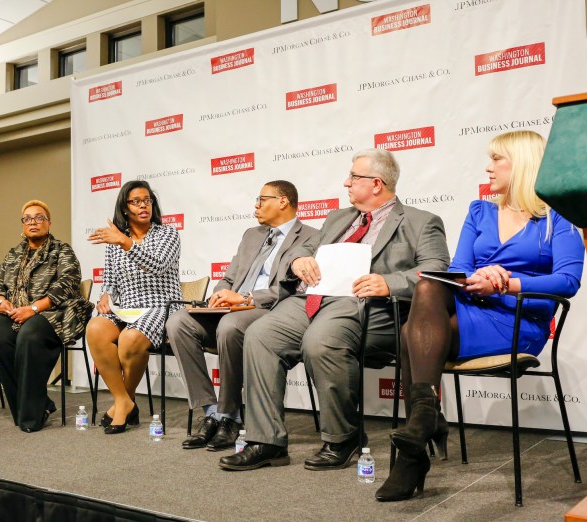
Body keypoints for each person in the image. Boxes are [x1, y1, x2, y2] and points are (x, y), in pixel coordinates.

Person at [376, 130, 585, 501]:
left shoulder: (559, 218)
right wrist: (477, 278)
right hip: (470, 306)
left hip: (518, 320)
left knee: (411, 331)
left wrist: (507, 283)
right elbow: (458, 267)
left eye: (496, 159)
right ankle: (424, 419)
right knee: (427, 287)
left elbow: (568, 281)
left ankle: (415, 448)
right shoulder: (480, 211)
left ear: (521, 164)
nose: (488, 168)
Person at [219, 148, 450, 471]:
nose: (346, 182)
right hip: (312, 299)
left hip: (367, 307)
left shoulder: (420, 221)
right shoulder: (337, 219)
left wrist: (389, 282)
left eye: (354, 177)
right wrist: (299, 260)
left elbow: (437, 271)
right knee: (261, 334)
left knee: (322, 340)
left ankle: (343, 437)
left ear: (376, 184)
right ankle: (267, 440)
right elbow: (303, 249)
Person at [167, 181, 317, 451]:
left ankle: (230, 416)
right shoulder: (251, 234)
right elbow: (228, 277)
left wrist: (246, 299)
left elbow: (292, 291)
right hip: (231, 308)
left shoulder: (310, 237)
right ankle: (210, 411)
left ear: (283, 201)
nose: (256, 206)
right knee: (178, 321)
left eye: (262, 199)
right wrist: (220, 294)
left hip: (267, 311)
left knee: (230, 325)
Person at [0, 200, 92, 433]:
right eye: (27, 218)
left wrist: (32, 309)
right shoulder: (13, 254)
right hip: (14, 312)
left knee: (28, 336)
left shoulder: (61, 250)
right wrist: (1, 303)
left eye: (39, 217)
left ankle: (31, 416)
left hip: (51, 314)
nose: (33, 222)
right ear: (22, 225)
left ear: (49, 223)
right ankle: (36, 405)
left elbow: (68, 283)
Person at [86, 180, 182, 434]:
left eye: (147, 200)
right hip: (126, 308)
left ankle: (121, 405)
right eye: (136, 201)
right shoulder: (116, 240)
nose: (143, 206)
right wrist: (106, 296)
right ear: (125, 207)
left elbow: (157, 265)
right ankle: (125, 401)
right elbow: (110, 280)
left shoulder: (167, 234)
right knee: (95, 328)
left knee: (129, 339)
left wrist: (125, 243)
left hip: (161, 306)